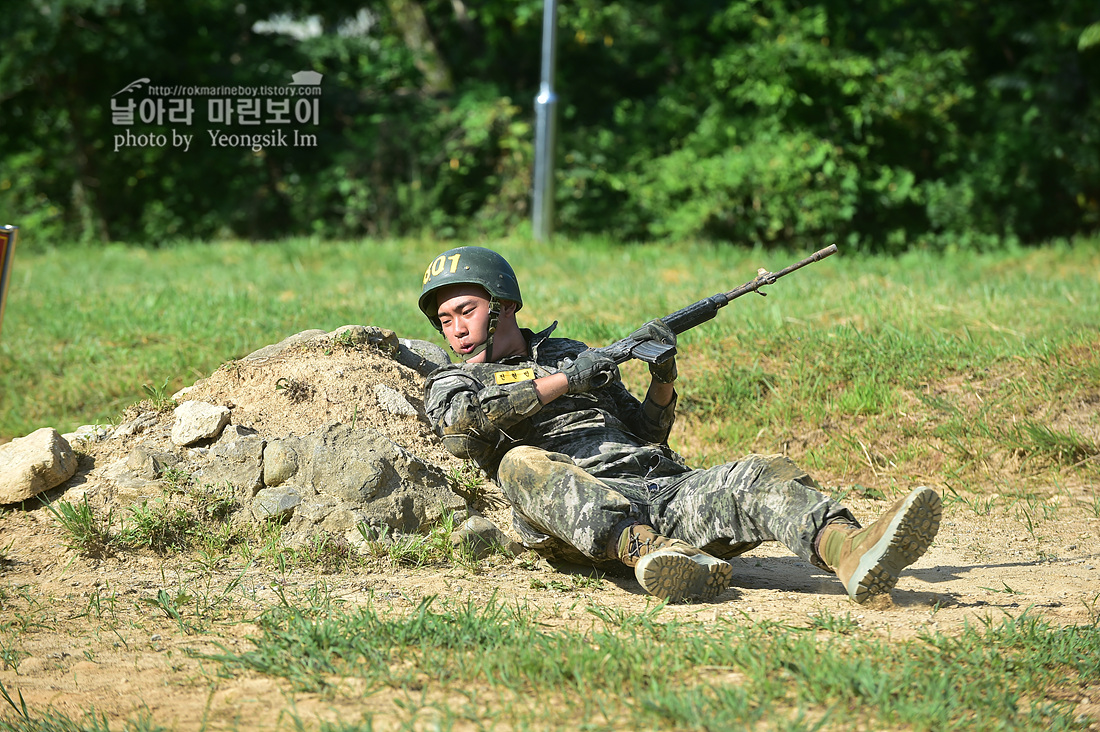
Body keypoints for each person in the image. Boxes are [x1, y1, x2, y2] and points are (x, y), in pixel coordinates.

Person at [421, 246, 941, 603]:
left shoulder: (568, 353)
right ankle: (653, 553)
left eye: (465, 311)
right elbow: (462, 428)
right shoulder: (452, 381)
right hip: (580, 518)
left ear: (504, 304)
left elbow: (646, 433)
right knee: (520, 463)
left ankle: (849, 551)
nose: (456, 329)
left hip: (658, 487)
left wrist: (663, 376)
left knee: (759, 474)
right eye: (445, 320)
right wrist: (565, 382)